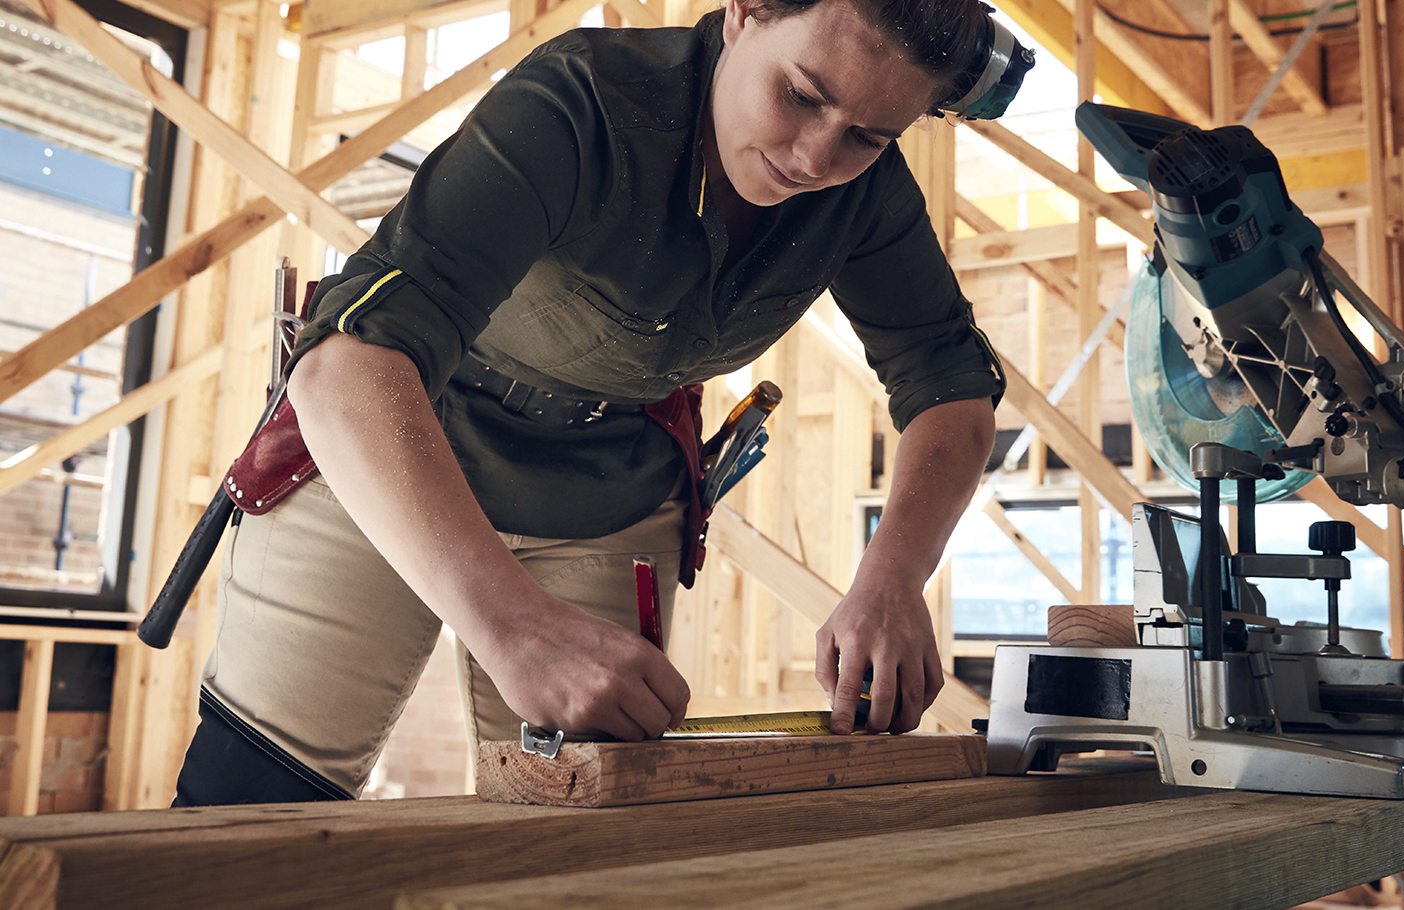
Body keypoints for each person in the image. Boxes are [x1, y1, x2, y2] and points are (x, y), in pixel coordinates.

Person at [171, 0, 1031, 805]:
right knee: (251, 807)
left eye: (866, 138)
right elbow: (348, 369)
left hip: (603, 490)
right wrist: (513, 627)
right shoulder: (581, 101)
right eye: (801, 96)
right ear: (743, 12)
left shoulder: (865, 196)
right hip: (388, 444)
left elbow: (950, 389)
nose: (815, 158)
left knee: (579, 826)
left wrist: (893, 578)